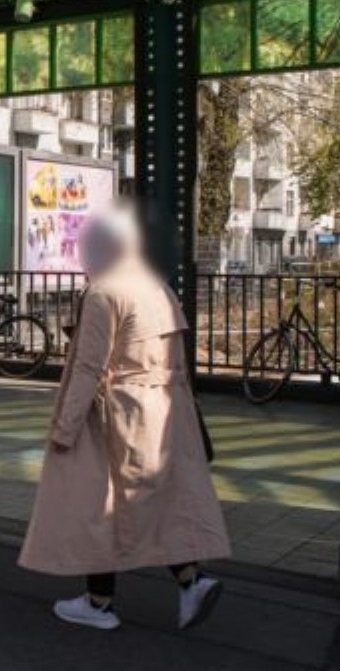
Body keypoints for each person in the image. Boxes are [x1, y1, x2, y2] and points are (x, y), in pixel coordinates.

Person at [18, 208, 230, 631]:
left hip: (115, 414)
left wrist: (64, 428)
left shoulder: (104, 293)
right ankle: (191, 581)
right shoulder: (158, 288)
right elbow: (178, 362)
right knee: (157, 503)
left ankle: (99, 604)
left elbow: (88, 368)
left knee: (97, 506)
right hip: (164, 414)